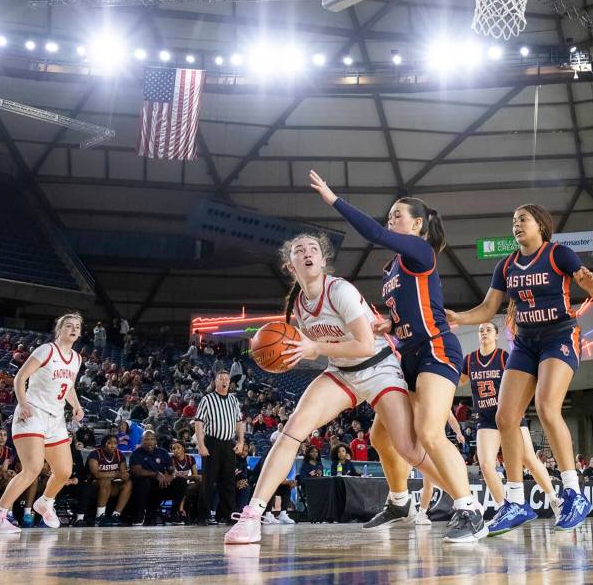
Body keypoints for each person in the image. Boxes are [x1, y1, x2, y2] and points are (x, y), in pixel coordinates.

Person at [225, 231, 448, 544]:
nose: (307, 253)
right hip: (342, 373)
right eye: (299, 250)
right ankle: (252, 515)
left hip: (379, 369)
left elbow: (365, 345)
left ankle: (466, 503)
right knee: (292, 430)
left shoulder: (339, 289)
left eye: (313, 248)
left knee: (408, 447)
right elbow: (326, 348)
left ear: (322, 259)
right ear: (291, 266)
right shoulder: (300, 305)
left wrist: (315, 347)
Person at [309, 171, 486, 542]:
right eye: (390, 217)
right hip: (408, 354)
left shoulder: (420, 251)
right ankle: (399, 500)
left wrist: (333, 199)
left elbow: (374, 234)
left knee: (429, 432)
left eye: (397, 216)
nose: (391, 221)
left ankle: (470, 509)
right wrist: (388, 323)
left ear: (418, 224)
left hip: (436, 347)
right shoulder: (392, 269)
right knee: (379, 435)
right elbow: (406, 309)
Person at [446, 203, 593, 534]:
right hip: (525, 342)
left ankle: (573, 493)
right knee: (506, 418)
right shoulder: (505, 266)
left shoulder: (558, 254)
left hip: (559, 336)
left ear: (541, 226)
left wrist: (591, 286)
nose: (516, 225)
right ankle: (515, 501)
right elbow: (489, 308)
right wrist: (460, 317)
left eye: (523, 219)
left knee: (548, 408)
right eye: (514, 221)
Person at [448, 321, 561, 531]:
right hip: (486, 418)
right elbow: (458, 381)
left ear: (497, 336)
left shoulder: (503, 357)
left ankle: (555, 500)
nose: (483, 333)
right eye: (480, 330)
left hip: (509, 414)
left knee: (528, 458)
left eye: (488, 330)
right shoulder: (470, 359)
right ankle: (504, 508)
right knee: (486, 465)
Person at [0, 313, 84, 533]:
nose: (74, 329)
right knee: (33, 468)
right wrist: (23, 403)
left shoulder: (77, 358)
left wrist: (76, 405)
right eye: (69, 326)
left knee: (64, 471)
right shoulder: (46, 350)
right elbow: (20, 377)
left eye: (77, 326)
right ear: (60, 330)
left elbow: (69, 387)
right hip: (32, 414)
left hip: (56, 419)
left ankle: (45, 502)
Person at [194, 370, 245, 525]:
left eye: (227, 379)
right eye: (221, 378)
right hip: (212, 442)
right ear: (215, 382)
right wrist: (201, 444)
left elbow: (238, 421)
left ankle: (227, 515)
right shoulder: (207, 399)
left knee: (228, 481)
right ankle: (202, 516)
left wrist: (241, 441)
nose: (224, 381)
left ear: (229, 382)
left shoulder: (233, 400)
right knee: (209, 481)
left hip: (228, 443)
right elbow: (198, 422)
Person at [128, 431, 185, 525]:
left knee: (181, 482)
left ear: (155, 441)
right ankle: (140, 515)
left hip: (162, 484)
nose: (149, 441)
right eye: (146, 439)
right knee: (143, 481)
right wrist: (156, 474)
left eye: (152, 439)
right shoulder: (136, 453)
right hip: (145, 486)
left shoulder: (162, 452)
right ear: (142, 441)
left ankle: (174, 514)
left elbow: (171, 468)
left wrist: (171, 475)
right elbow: (136, 471)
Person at [78, 434, 132, 526]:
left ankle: (116, 515)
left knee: (128, 483)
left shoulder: (120, 455)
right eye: (109, 443)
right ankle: (100, 515)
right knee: (105, 480)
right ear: (104, 444)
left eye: (115, 443)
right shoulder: (95, 454)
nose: (113, 445)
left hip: (110, 487)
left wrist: (125, 475)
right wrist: (115, 474)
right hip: (92, 486)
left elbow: (123, 474)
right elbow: (96, 474)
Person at [170, 440, 200, 523]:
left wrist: (187, 478)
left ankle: (202, 513)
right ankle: (180, 510)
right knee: (182, 486)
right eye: (173, 449)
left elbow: (195, 476)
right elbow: (173, 476)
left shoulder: (190, 458)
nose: (175, 450)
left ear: (183, 449)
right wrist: (187, 478)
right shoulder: (171, 459)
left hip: (188, 483)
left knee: (200, 482)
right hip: (176, 485)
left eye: (178, 448)